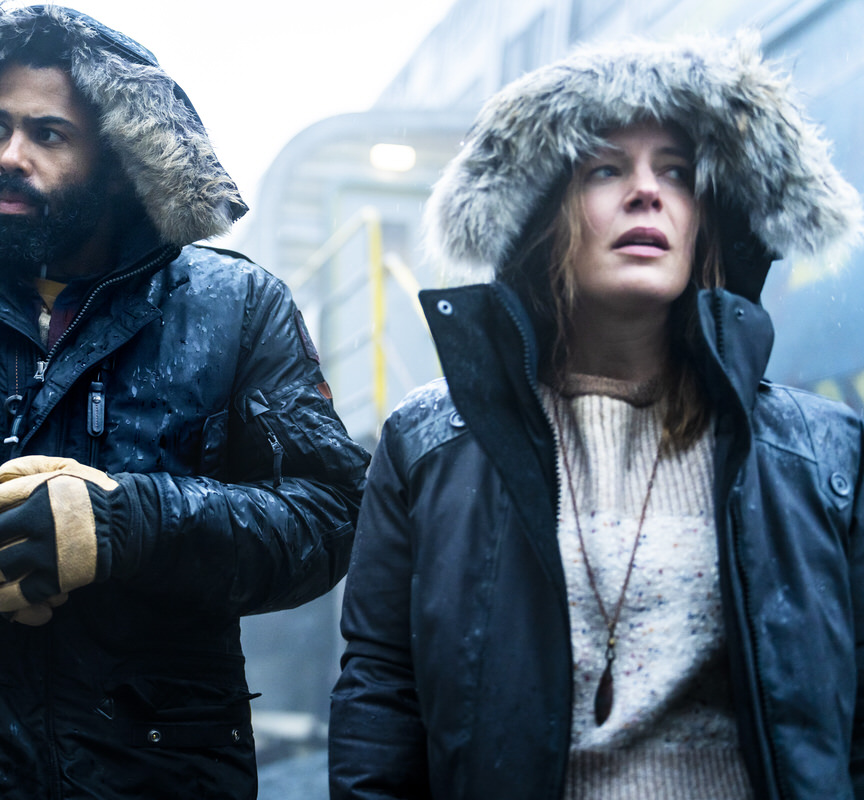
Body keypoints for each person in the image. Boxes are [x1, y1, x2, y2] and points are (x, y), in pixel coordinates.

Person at [0, 4, 368, 798]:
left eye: (46, 134)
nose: (9, 156)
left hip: (146, 770)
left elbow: (325, 518)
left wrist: (122, 526)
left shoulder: (237, 309)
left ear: (119, 159)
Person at [329, 33, 863, 799]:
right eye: (606, 169)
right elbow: (382, 695)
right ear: (546, 218)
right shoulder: (431, 445)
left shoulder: (825, 455)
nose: (646, 193)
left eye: (675, 173)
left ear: (704, 218)